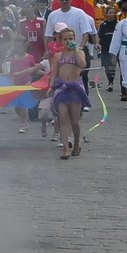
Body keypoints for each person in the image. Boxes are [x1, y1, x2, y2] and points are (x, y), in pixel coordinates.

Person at [48, 27, 89, 158]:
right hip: (62, 88)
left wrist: (75, 50)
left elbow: (82, 65)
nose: (68, 41)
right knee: (63, 116)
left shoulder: (79, 53)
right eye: (65, 39)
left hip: (75, 88)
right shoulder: (58, 56)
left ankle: (76, 142)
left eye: (70, 38)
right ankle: (66, 147)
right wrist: (51, 86)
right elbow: (55, 73)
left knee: (75, 120)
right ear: (60, 41)